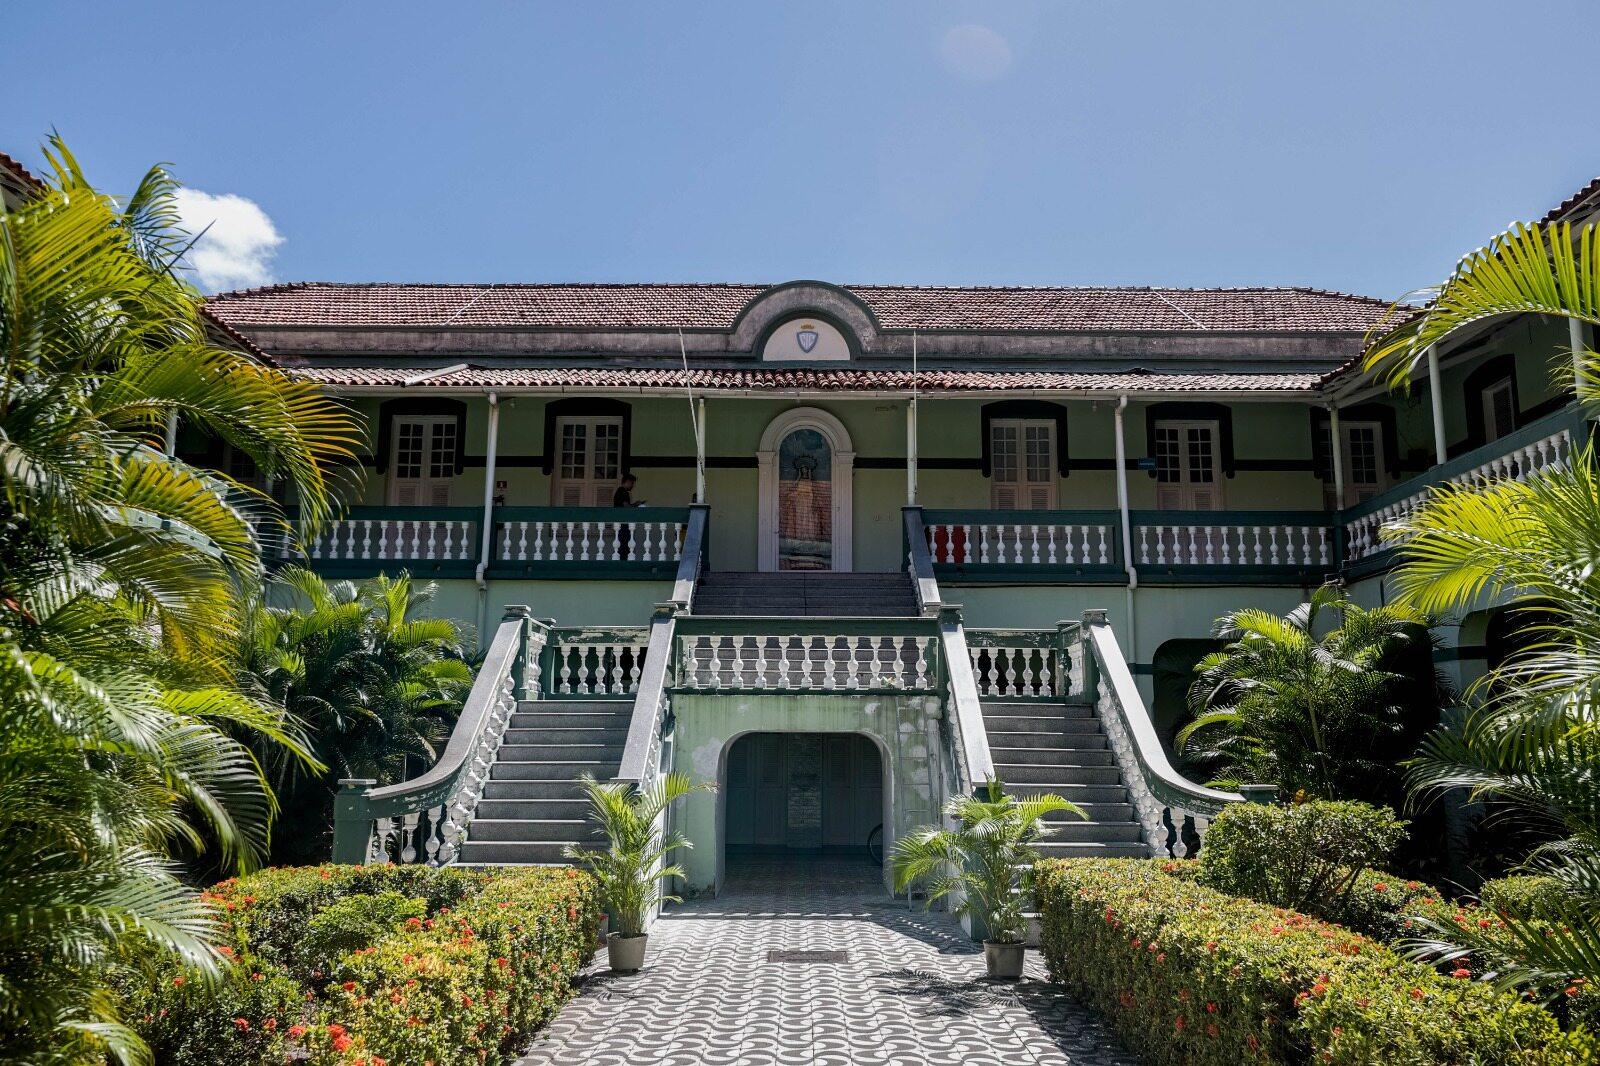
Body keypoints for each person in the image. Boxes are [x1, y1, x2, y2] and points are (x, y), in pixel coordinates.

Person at [613, 474, 641, 559]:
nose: (633, 486)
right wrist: (635, 505)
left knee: (624, 546)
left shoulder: (621, 491)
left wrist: (634, 504)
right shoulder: (622, 492)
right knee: (624, 546)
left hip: (622, 523)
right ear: (627, 482)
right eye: (632, 483)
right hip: (623, 524)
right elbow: (626, 507)